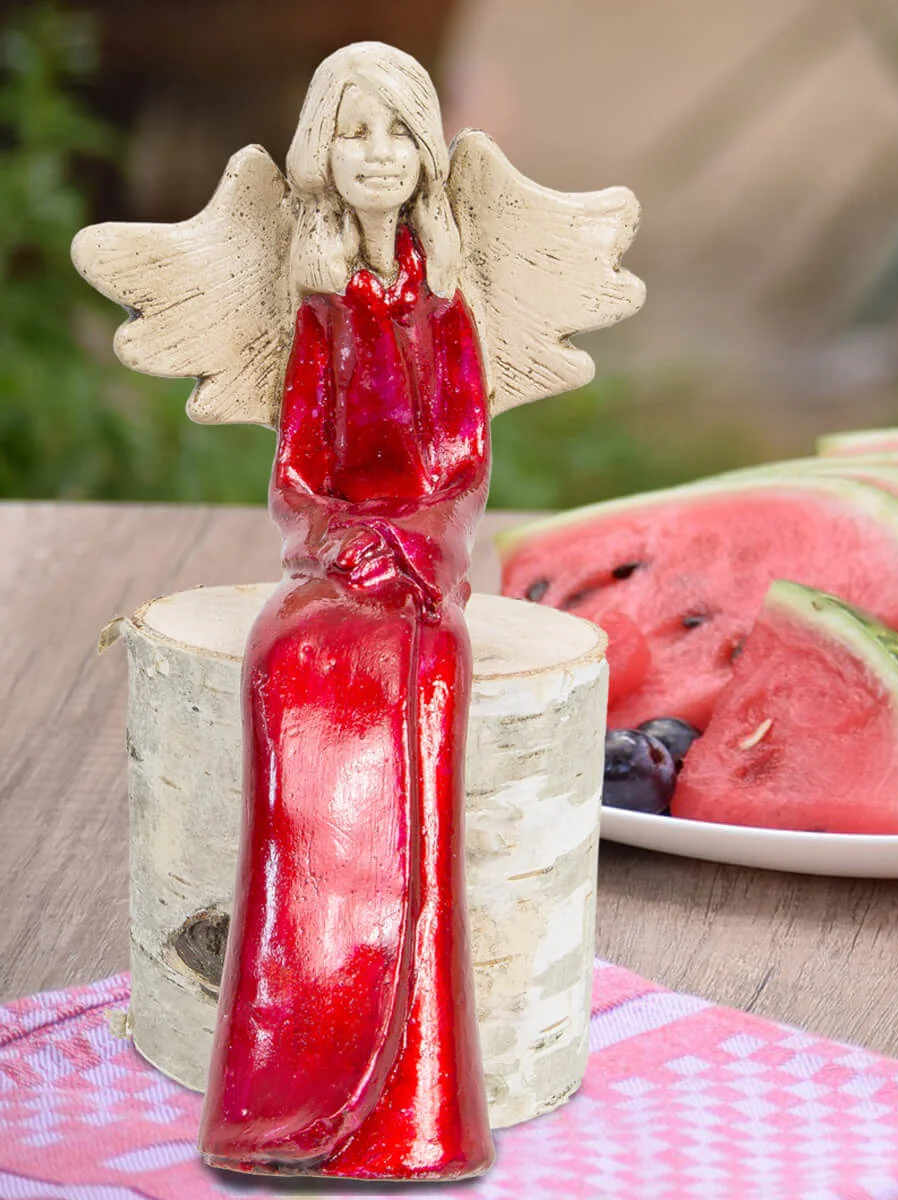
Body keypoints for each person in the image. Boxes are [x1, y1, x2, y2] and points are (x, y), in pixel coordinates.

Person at [71, 41, 644, 1180]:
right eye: (353, 132)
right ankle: (288, 1083)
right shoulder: (320, 306)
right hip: (332, 572)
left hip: (421, 578)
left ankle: (411, 1107)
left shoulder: (447, 303)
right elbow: (298, 468)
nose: (376, 155)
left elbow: (464, 459)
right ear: (320, 154)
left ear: (426, 153)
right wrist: (341, 547)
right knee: (294, 671)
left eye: (396, 133)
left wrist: (413, 548)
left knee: (419, 692)